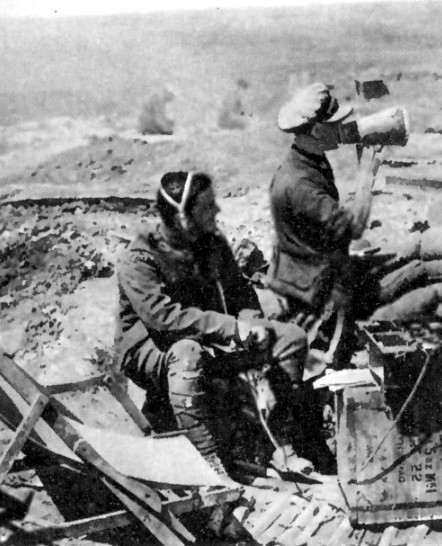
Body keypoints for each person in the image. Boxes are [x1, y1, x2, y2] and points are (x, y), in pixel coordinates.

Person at [115, 170, 313, 474]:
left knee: (291, 338)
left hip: (209, 338)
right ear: (182, 217)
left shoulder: (213, 243)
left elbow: (241, 293)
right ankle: (208, 464)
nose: (217, 210)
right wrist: (232, 329)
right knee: (186, 353)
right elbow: (164, 318)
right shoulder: (140, 258)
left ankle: (276, 442)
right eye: (208, 206)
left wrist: (252, 324)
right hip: (152, 347)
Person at [267, 82, 382, 368]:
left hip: (302, 271)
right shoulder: (301, 184)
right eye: (334, 124)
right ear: (317, 130)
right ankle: (331, 359)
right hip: (310, 288)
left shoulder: (305, 161)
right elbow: (354, 227)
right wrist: (367, 173)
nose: (341, 128)